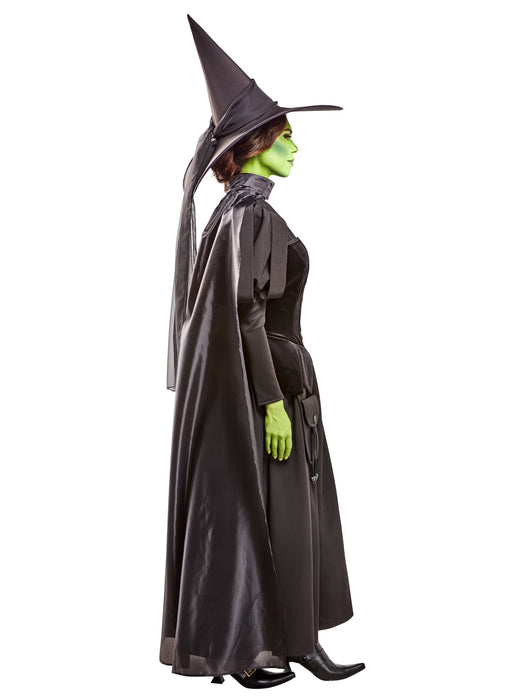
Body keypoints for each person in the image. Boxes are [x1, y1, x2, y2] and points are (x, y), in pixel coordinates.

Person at [159, 16, 365, 689]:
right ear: (255, 147)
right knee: (282, 516)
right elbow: (246, 314)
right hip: (266, 388)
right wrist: (274, 404)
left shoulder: (234, 213)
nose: (296, 146)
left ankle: (282, 643)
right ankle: (270, 647)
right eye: (286, 137)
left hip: (265, 382)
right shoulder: (249, 215)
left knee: (280, 517)